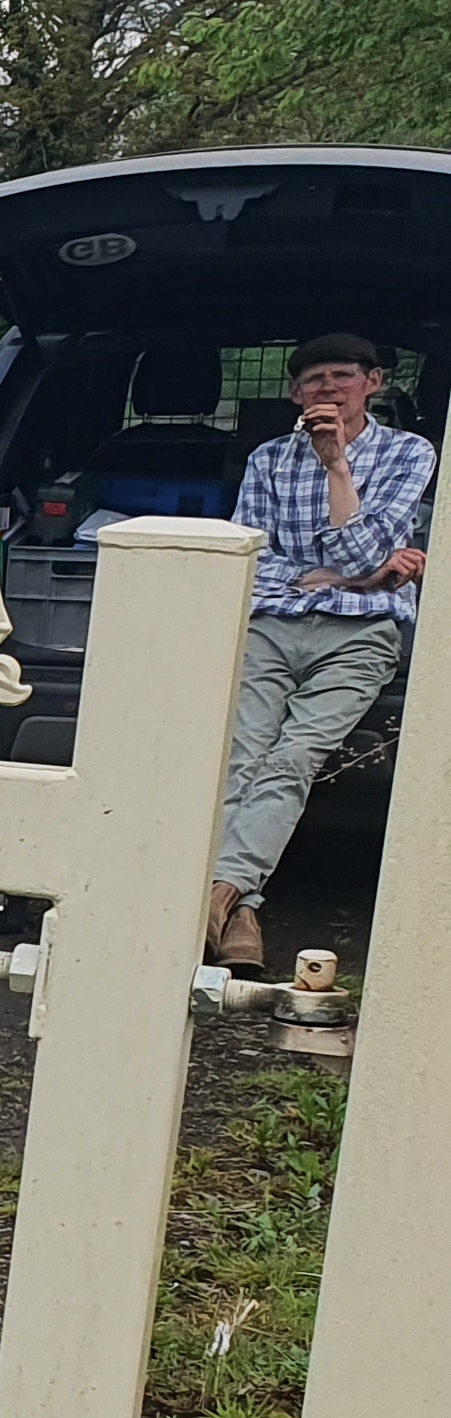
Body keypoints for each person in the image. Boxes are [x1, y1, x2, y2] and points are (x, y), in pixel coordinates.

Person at [206, 332, 436, 973]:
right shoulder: (268, 459)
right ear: (293, 393)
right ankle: (239, 907)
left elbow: (354, 556)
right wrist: (359, 572)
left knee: (294, 758)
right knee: (240, 756)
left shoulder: (408, 453)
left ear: (372, 384)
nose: (326, 388)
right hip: (272, 625)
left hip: (361, 635)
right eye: (312, 379)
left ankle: (214, 897)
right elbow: (252, 560)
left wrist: (336, 465)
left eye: (341, 375)